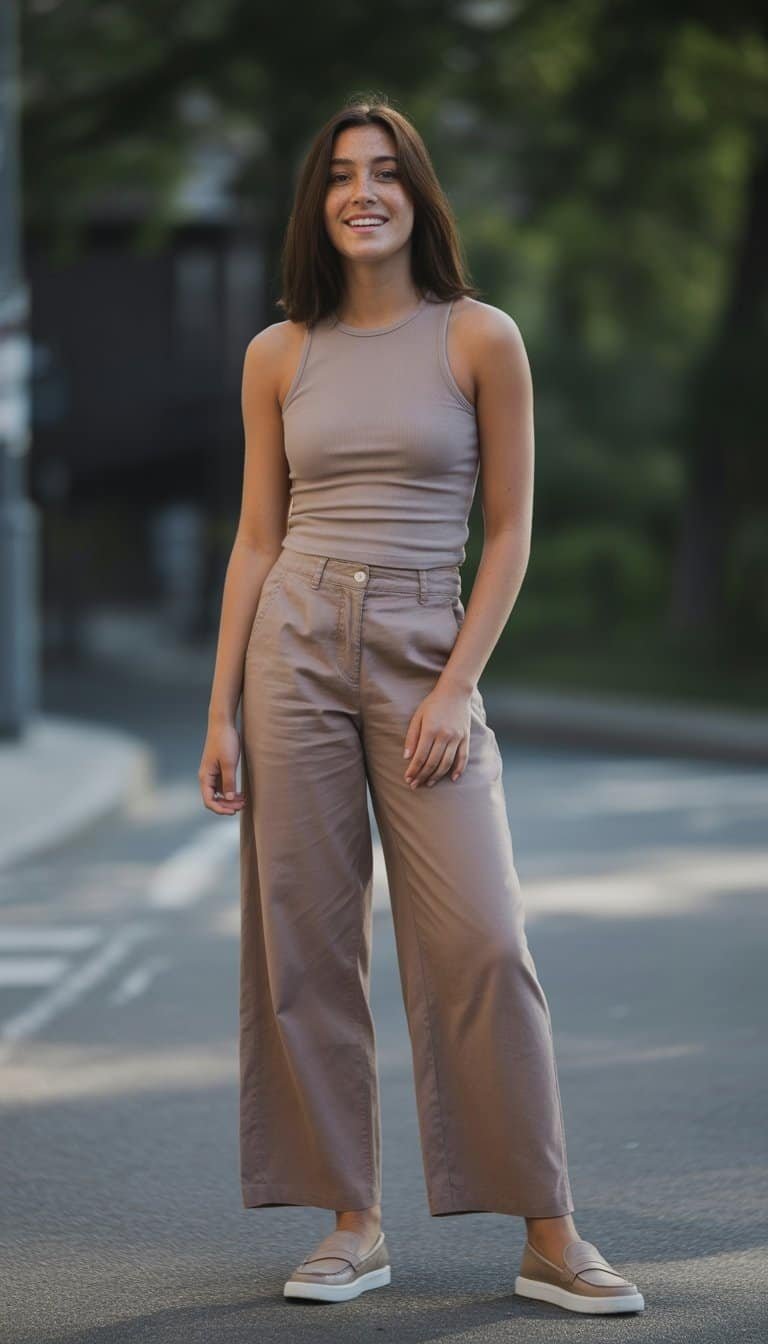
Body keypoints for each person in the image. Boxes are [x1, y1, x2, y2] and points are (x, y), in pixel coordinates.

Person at [199, 95, 645, 1316]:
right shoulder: (278, 352)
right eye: (341, 174)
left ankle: (549, 1230)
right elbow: (253, 537)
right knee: (306, 943)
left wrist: (457, 686)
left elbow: (508, 533)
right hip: (290, 644)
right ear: (317, 203)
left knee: (484, 941)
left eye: (385, 173)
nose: (362, 192)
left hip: (421, 647)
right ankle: (353, 1222)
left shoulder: (479, 338)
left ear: (417, 196)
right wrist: (221, 708)